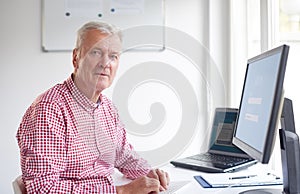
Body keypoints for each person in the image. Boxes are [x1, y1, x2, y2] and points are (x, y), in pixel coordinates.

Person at [16, 21, 170, 193]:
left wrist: (148, 172)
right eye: (96, 52)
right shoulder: (49, 110)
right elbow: (42, 189)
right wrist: (122, 191)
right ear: (76, 58)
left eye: (113, 56)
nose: (105, 63)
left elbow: (122, 154)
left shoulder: (107, 108)